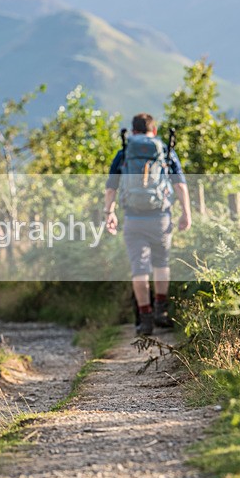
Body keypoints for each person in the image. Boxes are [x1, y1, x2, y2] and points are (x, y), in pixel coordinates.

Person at [104, 113, 191, 335]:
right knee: (161, 264)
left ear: (133, 132)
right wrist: (186, 214)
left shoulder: (125, 152)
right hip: (161, 217)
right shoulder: (164, 150)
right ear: (154, 131)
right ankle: (161, 311)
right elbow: (180, 185)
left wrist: (110, 213)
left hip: (133, 218)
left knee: (139, 268)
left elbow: (111, 187)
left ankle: (145, 318)